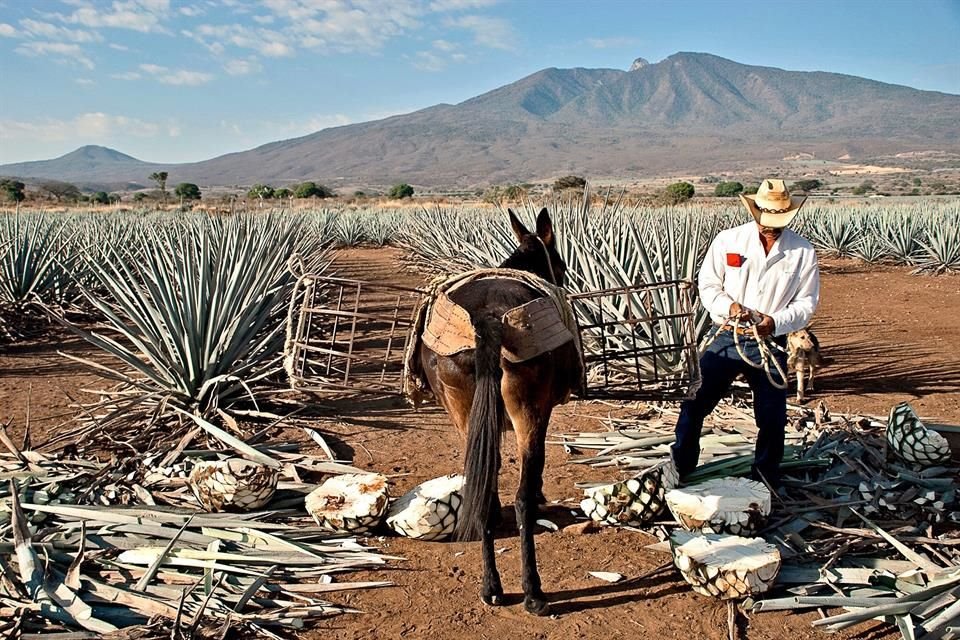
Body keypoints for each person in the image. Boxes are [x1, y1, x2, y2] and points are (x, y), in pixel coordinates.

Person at [671, 179, 820, 488]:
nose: (771, 228)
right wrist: (730, 306)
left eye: (778, 222)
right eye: (767, 221)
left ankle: (765, 481)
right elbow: (708, 284)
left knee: (772, 417)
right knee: (694, 403)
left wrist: (775, 322)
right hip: (726, 335)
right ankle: (680, 468)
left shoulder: (802, 251)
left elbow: (806, 303)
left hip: (769, 342)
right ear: (755, 213)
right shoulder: (729, 241)